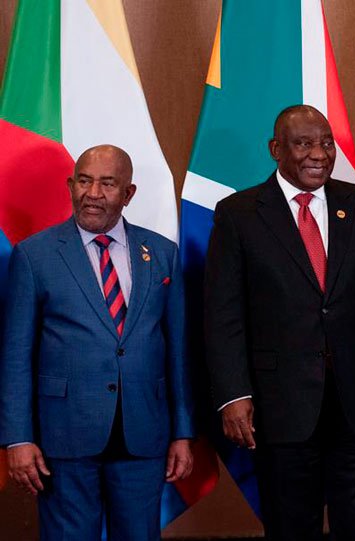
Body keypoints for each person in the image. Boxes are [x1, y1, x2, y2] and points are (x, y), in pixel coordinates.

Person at [204, 105, 355, 541]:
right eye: (303, 144)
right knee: (291, 525)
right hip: (279, 405)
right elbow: (223, 315)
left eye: (326, 143)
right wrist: (233, 395)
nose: (319, 153)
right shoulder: (238, 214)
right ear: (275, 149)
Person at [0, 145, 194, 541]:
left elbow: (177, 352)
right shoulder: (34, 256)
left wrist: (183, 432)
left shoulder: (161, 254)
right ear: (71, 185)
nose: (93, 193)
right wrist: (18, 438)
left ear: (129, 194)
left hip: (144, 436)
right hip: (64, 438)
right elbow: (15, 355)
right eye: (84, 180)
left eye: (108, 184)